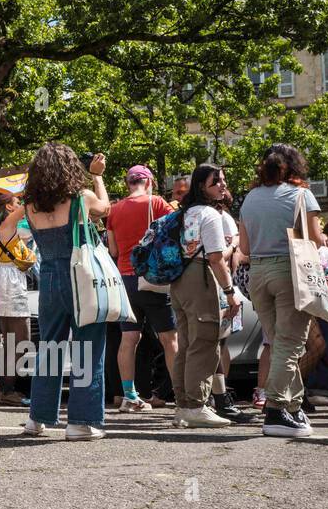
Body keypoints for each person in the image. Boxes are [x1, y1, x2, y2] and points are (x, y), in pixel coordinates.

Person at [21, 145, 110, 440]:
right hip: (79, 276)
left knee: (49, 348)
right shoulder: (80, 199)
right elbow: (105, 208)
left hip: (48, 278)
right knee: (88, 345)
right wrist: (96, 177)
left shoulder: (29, 205)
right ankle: (81, 422)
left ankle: (38, 417)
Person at [239, 144, 325, 438]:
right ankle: (275, 410)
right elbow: (315, 239)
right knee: (290, 344)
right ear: (294, 165)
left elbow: (245, 248)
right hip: (290, 271)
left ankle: (292, 405)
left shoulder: (250, 197)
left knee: (279, 344)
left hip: (259, 273)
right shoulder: (301, 194)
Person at [166, 164, 241, 428]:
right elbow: (216, 258)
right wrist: (231, 292)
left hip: (179, 281)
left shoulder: (183, 213)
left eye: (222, 180)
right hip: (201, 279)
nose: (222, 185)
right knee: (205, 343)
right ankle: (197, 405)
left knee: (186, 345)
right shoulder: (209, 215)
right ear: (202, 186)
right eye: (216, 182)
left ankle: (184, 405)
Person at [104, 165, 177, 413]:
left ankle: (129, 395)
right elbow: (175, 233)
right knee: (170, 339)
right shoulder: (156, 203)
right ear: (149, 182)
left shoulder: (114, 210)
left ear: (128, 184)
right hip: (152, 279)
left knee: (129, 338)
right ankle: (183, 397)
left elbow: (113, 251)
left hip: (125, 280)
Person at [208, 194, 255, 423]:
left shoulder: (220, 217)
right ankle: (217, 395)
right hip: (220, 286)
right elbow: (222, 256)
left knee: (220, 342)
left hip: (219, 285)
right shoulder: (219, 218)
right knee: (219, 342)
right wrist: (234, 244)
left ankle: (218, 393)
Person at [0, 193, 35, 406]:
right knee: (21, 339)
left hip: (5, 283)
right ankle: (7, 389)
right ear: (8, 207)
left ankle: (4, 388)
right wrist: (31, 190)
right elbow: (28, 207)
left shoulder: (7, 229)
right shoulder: (8, 224)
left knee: (11, 341)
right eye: (15, 203)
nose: (19, 206)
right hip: (10, 284)